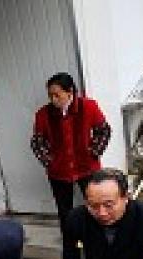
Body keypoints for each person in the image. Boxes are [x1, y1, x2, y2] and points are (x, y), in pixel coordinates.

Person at [31, 72, 111, 234]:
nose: (53, 99)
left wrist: (94, 152)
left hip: (87, 167)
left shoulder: (88, 107)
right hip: (58, 172)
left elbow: (103, 130)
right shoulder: (43, 114)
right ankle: (70, 239)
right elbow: (37, 141)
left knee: (96, 203)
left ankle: (98, 234)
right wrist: (49, 161)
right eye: (50, 96)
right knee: (64, 209)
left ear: (70, 92)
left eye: (57, 95)